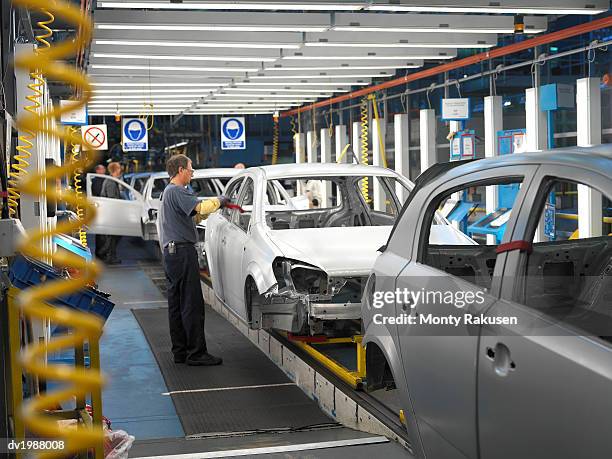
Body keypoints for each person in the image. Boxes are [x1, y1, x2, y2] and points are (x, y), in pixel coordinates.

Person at [158, 154, 228, 366]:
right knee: (191, 304)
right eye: (191, 169)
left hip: (171, 254)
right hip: (181, 253)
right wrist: (221, 201)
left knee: (177, 304)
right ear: (180, 170)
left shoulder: (168, 193)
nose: (192, 173)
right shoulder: (178, 190)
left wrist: (209, 211)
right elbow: (200, 207)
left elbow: (195, 216)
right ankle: (196, 353)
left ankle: (180, 351)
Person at [98, 162, 123, 265]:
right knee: (113, 236)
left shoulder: (110, 181)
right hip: (111, 212)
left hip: (109, 212)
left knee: (112, 236)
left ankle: (109, 255)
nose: (120, 171)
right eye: (119, 170)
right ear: (115, 171)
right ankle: (106, 254)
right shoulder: (111, 182)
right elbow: (112, 199)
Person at [92, 164, 107, 259]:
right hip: (101, 207)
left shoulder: (103, 179)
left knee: (102, 232)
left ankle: (101, 252)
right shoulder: (97, 181)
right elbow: (98, 193)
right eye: (102, 169)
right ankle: (100, 253)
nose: (104, 170)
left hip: (102, 207)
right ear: (97, 170)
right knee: (101, 233)